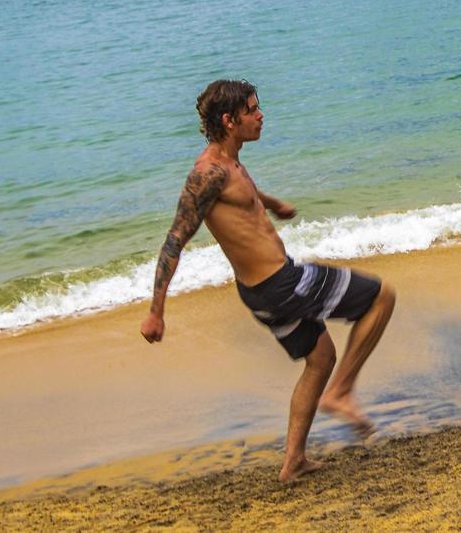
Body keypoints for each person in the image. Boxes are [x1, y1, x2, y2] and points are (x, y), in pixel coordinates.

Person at [140, 79, 395, 481]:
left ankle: (293, 461)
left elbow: (244, 198)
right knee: (381, 296)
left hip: (260, 291)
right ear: (229, 120)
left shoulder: (231, 162)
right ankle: (342, 391)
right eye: (253, 110)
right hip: (282, 284)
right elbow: (175, 239)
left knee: (320, 357)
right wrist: (156, 312)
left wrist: (272, 205)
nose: (261, 116)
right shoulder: (207, 173)